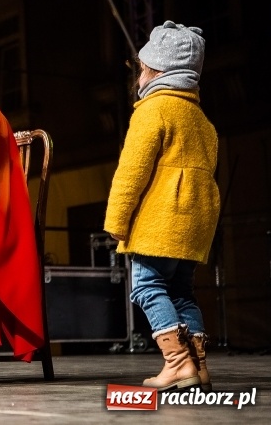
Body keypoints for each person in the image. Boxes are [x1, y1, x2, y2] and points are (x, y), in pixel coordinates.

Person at [104, 20, 220, 392]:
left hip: (160, 222)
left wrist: (117, 220)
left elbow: (132, 171)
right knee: (182, 291)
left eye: (142, 66)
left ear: (157, 71)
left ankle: (178, 363)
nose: (138, 74)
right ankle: (198, 365)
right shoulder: (201, 120)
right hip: (194, 223)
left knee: (146, 287)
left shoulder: (152, 110)